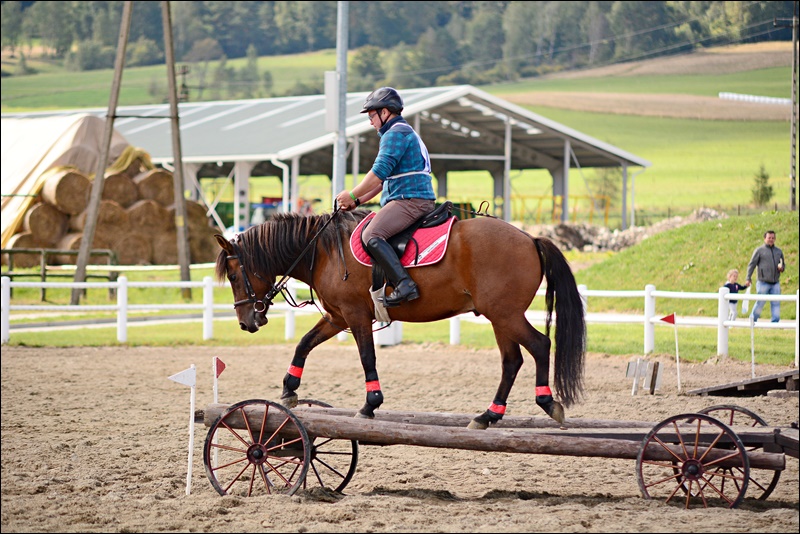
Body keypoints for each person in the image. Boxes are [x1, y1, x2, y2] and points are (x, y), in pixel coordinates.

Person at [335, 87, 436, 307]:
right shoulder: (401, 131)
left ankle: (404, 283)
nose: (370, 121)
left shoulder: (395, 134)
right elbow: (382, 182)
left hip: (410, 200)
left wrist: (351, 193)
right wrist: (358, 201)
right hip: (408, 197)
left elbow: (378, 172)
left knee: (371, 234)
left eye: (372, 115)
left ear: (385, 112)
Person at [745, 230, 786, 323]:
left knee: (776, 303)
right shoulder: (759, 251)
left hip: (775, 282)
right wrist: (748, 278)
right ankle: (752, 320)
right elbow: (751, 265)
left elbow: (783, 264)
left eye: (773, 238)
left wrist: (782, 268)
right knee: (760, 302)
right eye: (769, 238)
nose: (771, 240)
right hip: (763, 282)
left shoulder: (778, 251)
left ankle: (775, 323)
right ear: (765, 239)